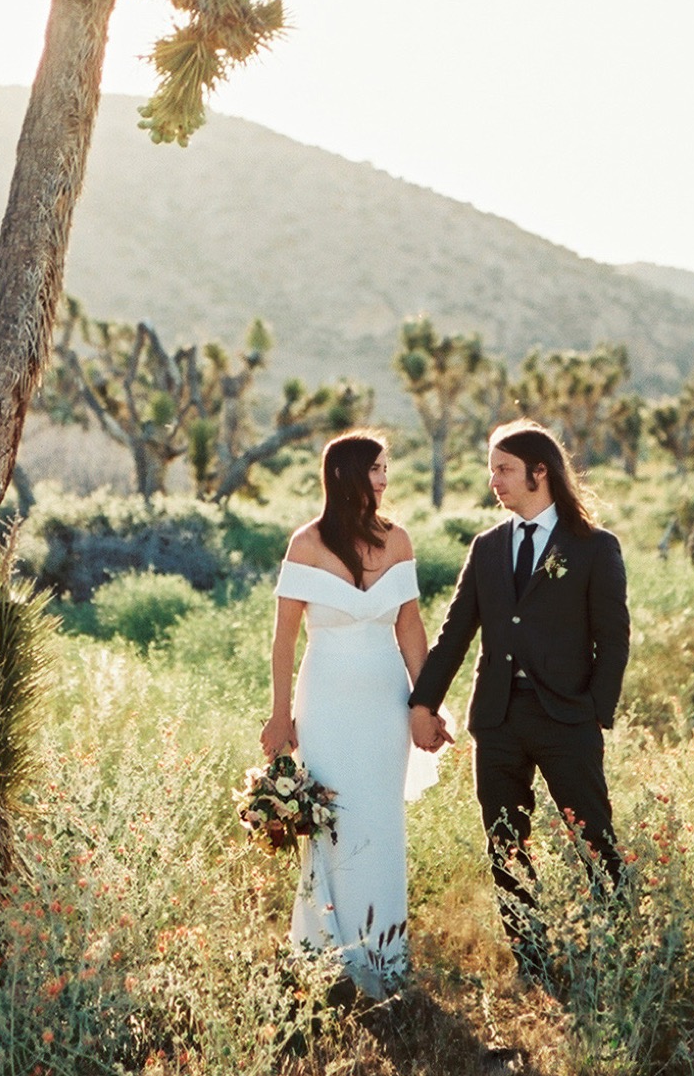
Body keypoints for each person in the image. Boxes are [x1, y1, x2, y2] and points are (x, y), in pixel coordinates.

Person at [408, 422, 629, 982]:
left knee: (594, 838)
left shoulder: (594, 547)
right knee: (505, 840)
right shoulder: (487, 547)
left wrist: (595, 711)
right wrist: (423, 703)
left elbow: (614, 635)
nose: (494, 480)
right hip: (498, 720)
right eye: (492, 468)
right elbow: (456, 631)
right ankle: (533, 961)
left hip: (567, 719)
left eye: (503, 468)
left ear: (540, 472)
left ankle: (623, 950)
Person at [262, 431, 448, 996]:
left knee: (380, 823)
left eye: (387, 467)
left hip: (384, 704)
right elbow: (283, 640)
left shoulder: (398, 540)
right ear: (345, 474)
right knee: (332, 820)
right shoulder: (307, 543)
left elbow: (410, 626)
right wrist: (278, 716)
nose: (384, 478)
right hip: (326, 701)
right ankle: (325, 958)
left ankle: (384, 959)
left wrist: (425, 704)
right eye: (375, 468)